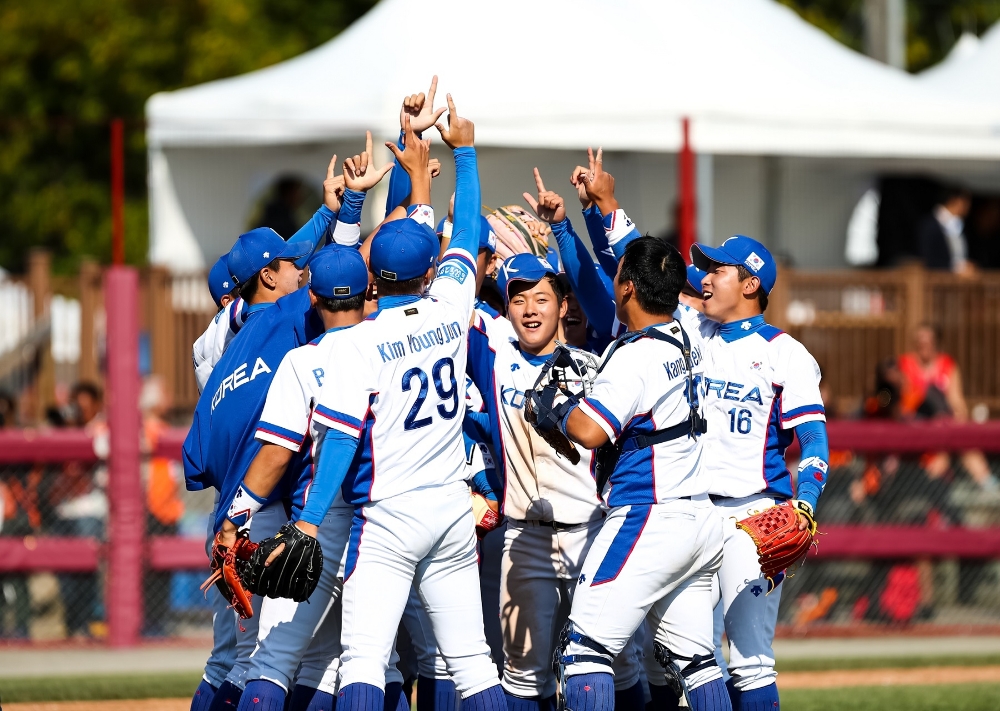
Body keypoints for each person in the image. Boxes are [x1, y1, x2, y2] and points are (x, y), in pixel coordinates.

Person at [296, 97, 506, 711]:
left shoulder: (358, 342)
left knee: (362, 658)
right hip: (448, 504)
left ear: (371, 277)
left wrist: (309, 519)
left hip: (386, 517)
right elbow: (466, 229)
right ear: (426, 270)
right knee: (471, 662)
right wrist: (463, 152)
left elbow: (337, 439)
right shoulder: (448, 307)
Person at [183, 139, 389, 711]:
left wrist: (330, 212)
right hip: (260, 504)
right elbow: (305, 275)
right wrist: (343, 211)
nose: (301, 268)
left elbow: (285, 269)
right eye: (288, 266)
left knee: (250, 656)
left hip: (233, 504)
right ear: (266, 280)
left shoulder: (228, 336)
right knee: (265, 658)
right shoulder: (268, 323)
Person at [529, 233, 728, 711]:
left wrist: (559, 407)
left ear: (628, 289)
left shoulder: (634, 355)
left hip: (649, 515)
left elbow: (591, 431)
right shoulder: (685, 333)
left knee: (583, 654)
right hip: (698, 518)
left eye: (619, 276)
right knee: (698, 662)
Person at [467, 251, 643, 711]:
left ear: (564, 307)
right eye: (519, 299)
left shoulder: (594, 367)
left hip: (593, 533)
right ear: (505, 309)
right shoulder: (494, 356)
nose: (530, 309)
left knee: (618, 665)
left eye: (542, 299)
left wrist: (566, 233)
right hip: (524, 538)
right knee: (523, 675)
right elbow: (446, 300)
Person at [898, 324, 996, 490]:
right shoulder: (904, 365)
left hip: (943, 425)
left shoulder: (947, 365)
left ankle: (989, 487)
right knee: (939, 452)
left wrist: (957, 419)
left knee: (966, 444)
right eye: (920, 343)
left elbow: (957, 402)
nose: (924, 346)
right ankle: (935, 491)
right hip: (916, 425)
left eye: (928, 342)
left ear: (936, 343)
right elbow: (901, 405)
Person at [916, 187, 973, 273]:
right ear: (954, 200)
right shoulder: (930, 225)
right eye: (966, 202)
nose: (968, 206)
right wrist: (957, 269)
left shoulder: (960, 225)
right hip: (936, 280)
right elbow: (927, 259)